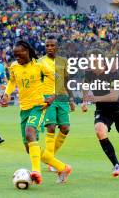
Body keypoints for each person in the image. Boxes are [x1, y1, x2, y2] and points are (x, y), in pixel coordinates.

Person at [0, 40, 72, 185]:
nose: (17, 58)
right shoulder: (14, 67)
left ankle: (36, 172)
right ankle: (63, 168)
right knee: (29, 148)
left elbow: (57, 79)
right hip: (24, 109)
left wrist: (53, 96)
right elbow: (12, 82)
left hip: (39, 106)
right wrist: (6, 95)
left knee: (30, 131)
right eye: (15, 56)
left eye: (19, 55)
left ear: (26, 51)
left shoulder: (39, 66)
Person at [38, 36, 75, 172]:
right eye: (47, 45)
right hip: (48, 97)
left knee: (65, 128)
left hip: (62, 97)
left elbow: (66, 81)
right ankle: (52, 161)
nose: (49, 48)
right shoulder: (40, 62)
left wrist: (71, 99)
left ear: (57, 47)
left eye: (52, 45)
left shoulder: (63, 61)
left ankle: (50, 157)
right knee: (51, 127)